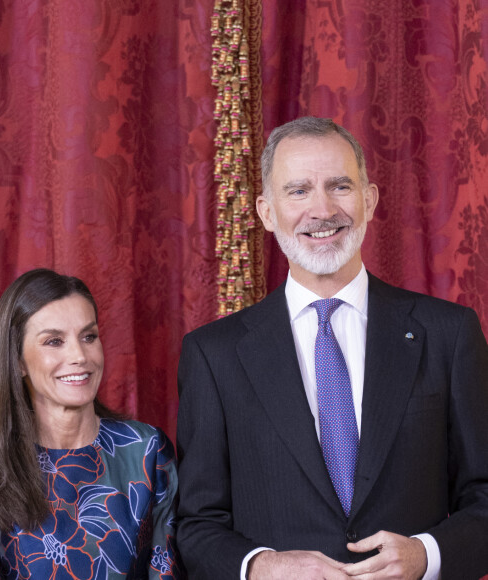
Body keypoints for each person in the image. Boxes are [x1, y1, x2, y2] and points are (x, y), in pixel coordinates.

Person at [176, 117, 488, 579]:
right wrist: (262, 566)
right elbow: (196, 526)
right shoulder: (213, 355)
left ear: (369, 199)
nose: (322, 210)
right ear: (266, 211)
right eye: (298, 191)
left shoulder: (448, 333)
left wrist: (427, 555)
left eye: (340, 186)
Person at [0, 268, 183, 579]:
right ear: (17, 361)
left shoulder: (147, 451)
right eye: (54, 341)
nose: (79, 355)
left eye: (89, 337)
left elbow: (167, 570)